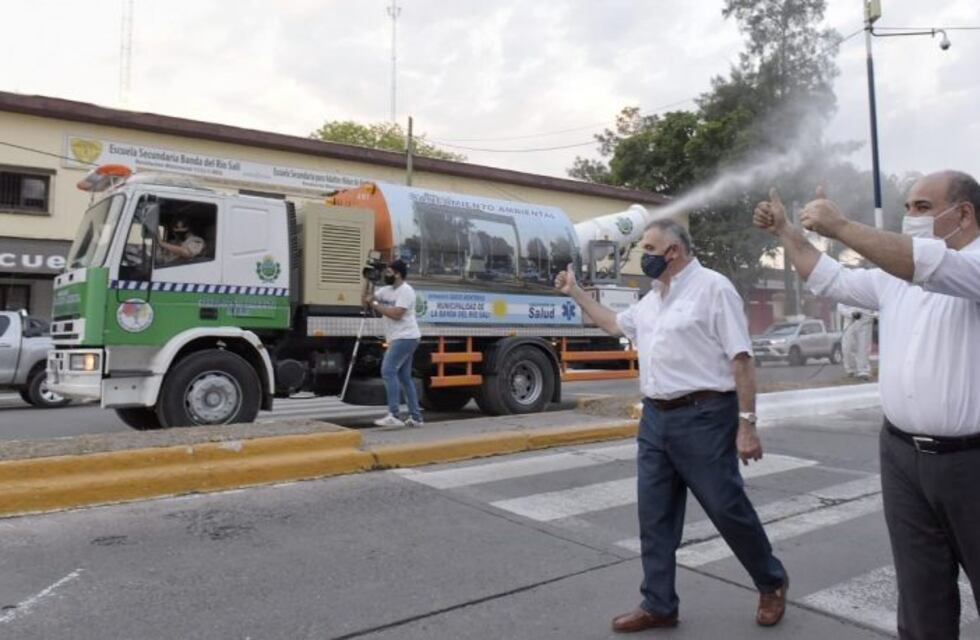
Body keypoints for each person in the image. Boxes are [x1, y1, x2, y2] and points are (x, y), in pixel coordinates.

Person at [754, 171, 980, 640]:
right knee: (920, 596)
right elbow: (829, 277)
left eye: (922, 207)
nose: (909, 216)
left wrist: (840, 226)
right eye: (907, 207)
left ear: (964, 214)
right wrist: (787, 233)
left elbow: (930, 265)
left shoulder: (967, 264)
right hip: (902, 456)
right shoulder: (897, 278)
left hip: (971, 462)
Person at [556, 219, 789, 632]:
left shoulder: (714, 288)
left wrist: (747, 424)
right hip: (655, 419)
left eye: (648, 248)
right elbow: (613, 324)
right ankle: (659, 603)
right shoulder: (652, 299)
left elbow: (741, 359)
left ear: (673, 251)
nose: (642, 255)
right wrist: (575, 291)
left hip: (705, 416)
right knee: (655, 517)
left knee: (726, 508)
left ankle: (771, 582)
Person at [364, 259, 423, 428]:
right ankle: (416, 417)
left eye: (389, 272)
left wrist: (375, 305)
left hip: (406, 337)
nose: (386, 275)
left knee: (388, 370)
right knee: (404, 377)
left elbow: (397, 314)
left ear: (398, 274)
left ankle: (394, 415)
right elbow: (366, 300)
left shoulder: (406, 291)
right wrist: (368, 281)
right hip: (398, 337)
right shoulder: (386, 290)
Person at [837, 301, 874, 379]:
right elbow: (840, 307)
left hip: (865, 321)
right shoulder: (846, 293)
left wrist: (875, 315)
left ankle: (863, 371)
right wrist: (851, 314)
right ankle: (850, 369)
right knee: (847, 346)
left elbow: (874, 302)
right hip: (850, 321)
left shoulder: (867, 293)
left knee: (863, 348)